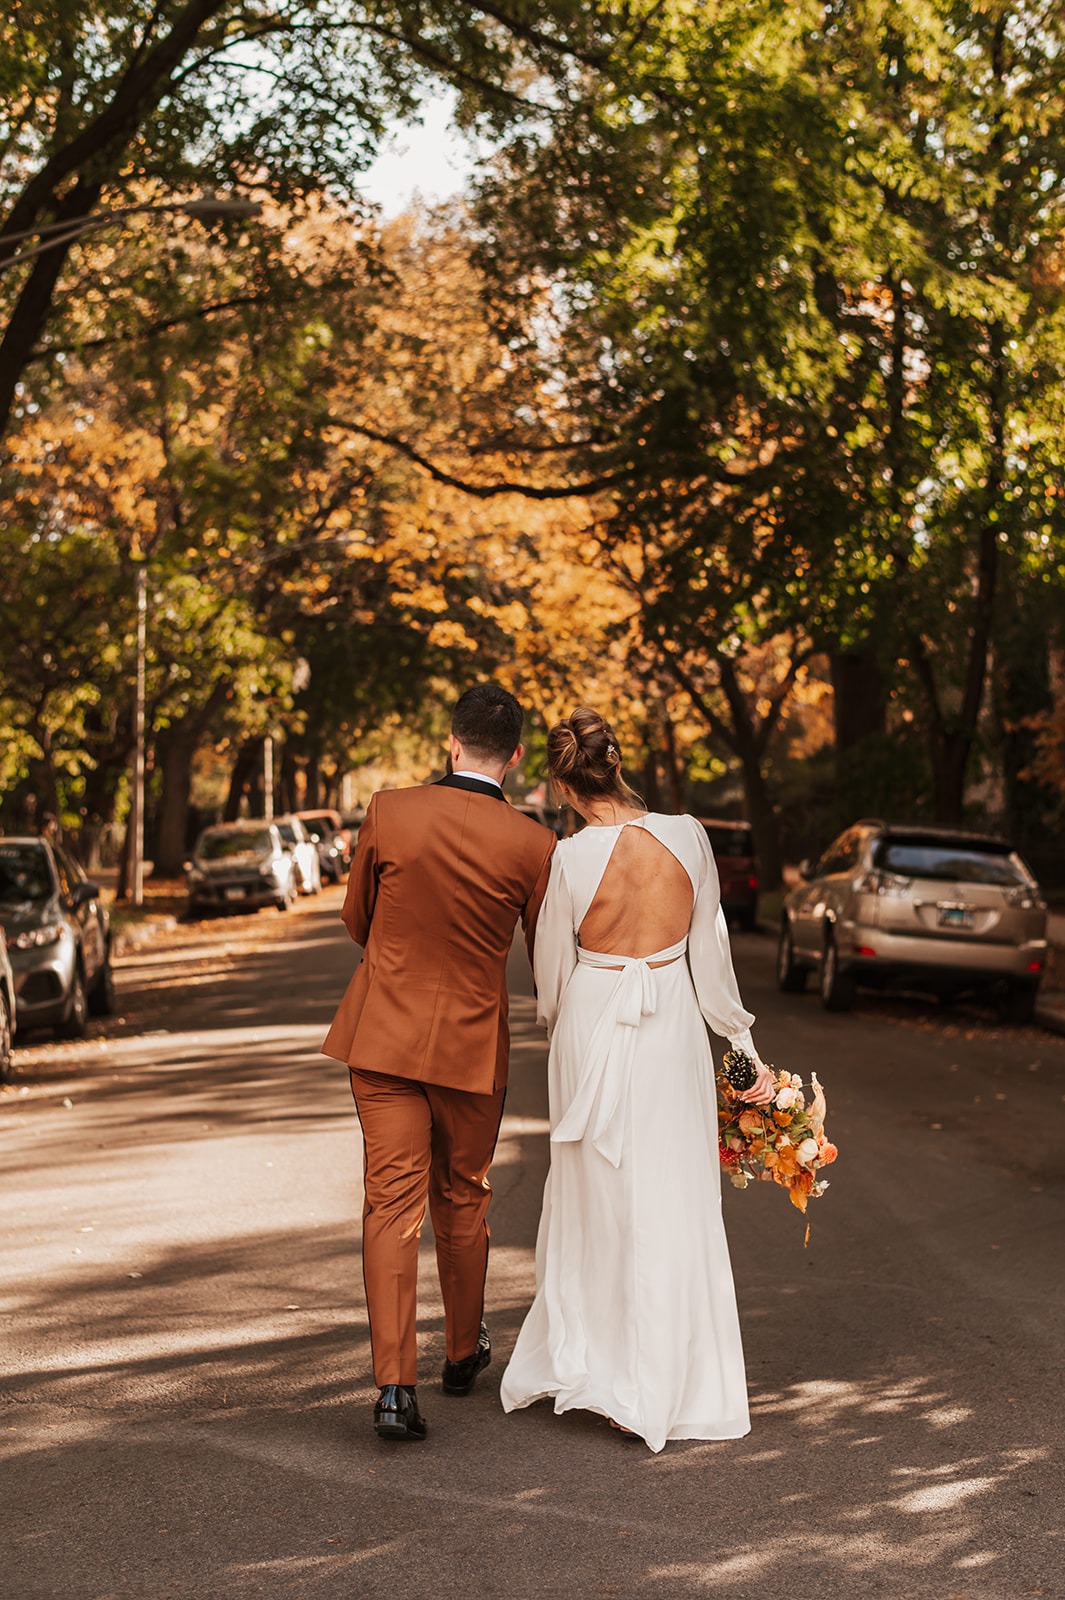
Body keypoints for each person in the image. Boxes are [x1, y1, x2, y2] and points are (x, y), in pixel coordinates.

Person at [500, 707, 775, 1452]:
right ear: (615, 765)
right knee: (672, 1192)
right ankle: (673, 1379)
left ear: (562, 784)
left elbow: (551, 971)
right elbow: (711, 961)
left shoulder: (568, 859)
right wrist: (741, 1045)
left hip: (593, 1021)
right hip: (671, 1023)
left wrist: (559, 1028)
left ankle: (598, 1364)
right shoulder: (688, 835)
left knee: (594, 1194)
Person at [322, 683, 556, 1443]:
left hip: (382, 1037)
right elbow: (542, 953)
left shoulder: (390, 810)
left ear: (450, 742)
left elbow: (357, 920)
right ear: (514, 757)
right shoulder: (533, 846)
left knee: (390, 1206)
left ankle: (394, 1389)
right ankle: (461, 1354)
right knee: (463, 1197)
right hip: (469, 1048)